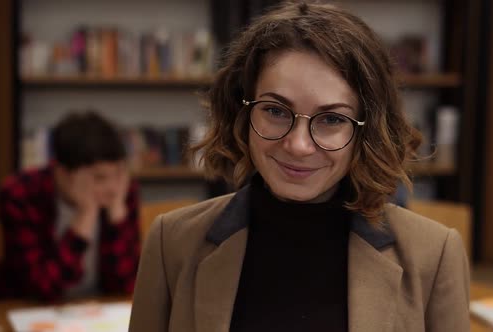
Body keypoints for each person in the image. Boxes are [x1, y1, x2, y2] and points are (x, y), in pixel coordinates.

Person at [129, 2, 470, 331]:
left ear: (367, 131)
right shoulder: (171, 242)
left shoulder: (434, 255)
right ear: (243, 112)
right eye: (276, 111)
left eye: (332, 118)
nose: (298, 145)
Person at [0, 111, 140, 300]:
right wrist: (85, 217)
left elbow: (125, 286)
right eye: (99, 177)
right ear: (63, 173)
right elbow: (40, 289)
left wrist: (117, 220)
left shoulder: (123, 191)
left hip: (100, 315)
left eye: (118, 173)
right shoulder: (21, 193)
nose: (113, 187)